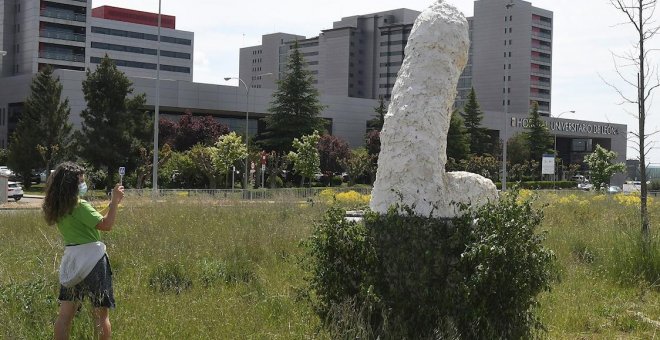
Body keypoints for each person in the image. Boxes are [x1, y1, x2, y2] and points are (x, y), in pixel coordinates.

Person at [42, 162, 124, 340]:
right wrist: (116, 203)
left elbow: (91, 219)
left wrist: (109, 205)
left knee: (65, 316)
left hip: (72, 261)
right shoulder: (80, 205)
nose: (83, 184)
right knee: (100, 316)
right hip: (93, 261)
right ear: (73, 184)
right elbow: (106, 225)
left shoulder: (60, 207)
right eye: (81, 181)